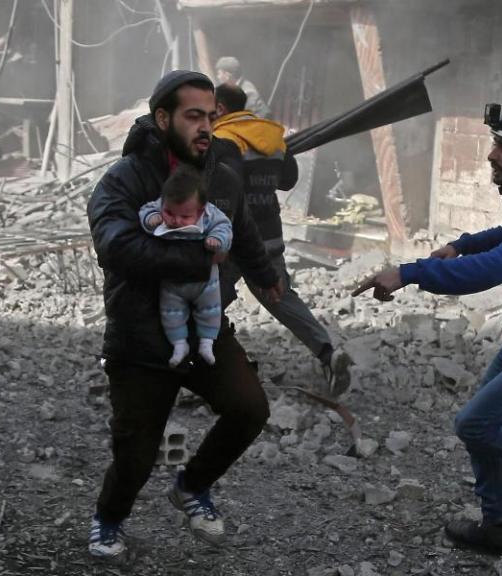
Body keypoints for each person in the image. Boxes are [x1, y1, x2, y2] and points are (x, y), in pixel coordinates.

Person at [353, 106, 502, 555]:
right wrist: (460, 245)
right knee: (482, 426)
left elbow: (494, 267)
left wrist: (409, 272)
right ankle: (497, 526)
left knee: (474, 425)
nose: (492, 155)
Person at [86, 69, 283, 560]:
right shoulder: (126, 178)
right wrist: (198, 259)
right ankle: (108, 521)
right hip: (139, 335)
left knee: (249, 408)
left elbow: (242, 226)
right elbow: (115, 246)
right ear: (163, 117)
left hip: (205, 329)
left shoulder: (221, 167)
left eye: (210, 117)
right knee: (135, 455)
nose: (205, 127)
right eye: (193, 116)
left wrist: (264, 273)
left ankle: (192, 486)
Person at [213, 83, 352, 395]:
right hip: (270, 237)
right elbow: (288, 181)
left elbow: (221, 189)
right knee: (281, 297)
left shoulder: (221, 139)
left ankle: (211, 369)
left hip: (233, 240)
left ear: (220, 108)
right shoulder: (272, 136)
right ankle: (328, 353)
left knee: (207, 302)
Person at [139, 164, 233, 367]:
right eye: (169, 213)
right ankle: (179, 345)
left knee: (211, 310)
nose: (175, 221)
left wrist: (217, 239)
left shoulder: (211, 214)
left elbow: (225, 227)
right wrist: (150, 219)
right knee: (170, 312)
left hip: (205, 279)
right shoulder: (160, 206)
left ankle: (207, 344)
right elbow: (144, 211)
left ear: (200, 211)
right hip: (172, 280)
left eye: (185, 217)